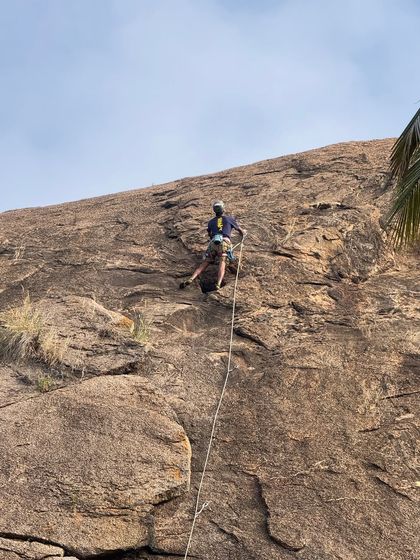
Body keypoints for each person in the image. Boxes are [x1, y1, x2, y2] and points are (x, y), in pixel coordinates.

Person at [179, 200, 246, 290]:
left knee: (205, 263)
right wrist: (243, 234)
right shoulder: (229, 219)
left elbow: (210, 235)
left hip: (213, 243)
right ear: (223, 209)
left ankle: (192, 278)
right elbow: (240, 231)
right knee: (222, 263)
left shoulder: (211, 222)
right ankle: (218, 284)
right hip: (224, 243)